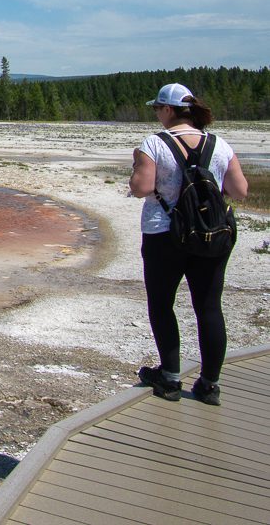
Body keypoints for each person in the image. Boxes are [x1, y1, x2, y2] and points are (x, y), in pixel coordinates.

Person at [128, 82, 248, 405]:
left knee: (162, 304)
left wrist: (134, 173)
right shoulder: (219, 144)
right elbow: (240, 190)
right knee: (209, 307)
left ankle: (169, 378)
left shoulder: (154, 144)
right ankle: (209, 385)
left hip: (164, 234)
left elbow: (141, 187)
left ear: (168, 110)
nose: (156, 115)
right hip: (211, 234)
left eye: (157, 109)